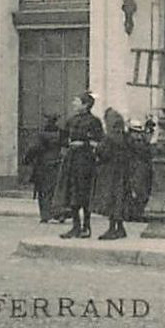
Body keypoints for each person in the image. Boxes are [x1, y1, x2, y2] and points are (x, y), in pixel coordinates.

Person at [57, 92, 104, 239]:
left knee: (84, 194)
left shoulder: (94, 122)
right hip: (72, 160)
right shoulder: (71, 120)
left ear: (86, 105)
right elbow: (62, 139)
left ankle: (86, 227)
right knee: (72, 193)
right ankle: (75, 227)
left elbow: (100, 142)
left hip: (86, 161)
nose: (73, 104)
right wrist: (67, 146)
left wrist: (84, 144)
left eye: (76, 102)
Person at [91, 108, 133, 240]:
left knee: (111, 199)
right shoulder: (124, 136)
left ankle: (112, 228)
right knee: (119, 199)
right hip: (123, 172)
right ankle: (120, 228)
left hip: (111, 173)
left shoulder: (110, 137)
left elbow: (104, 153)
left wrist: (95, 147)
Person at [22, 114, 64, 223]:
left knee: (43, 191)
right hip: (58, 164)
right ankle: (59, 213)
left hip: (44, 166)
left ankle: (46, 215)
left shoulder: (41, 135)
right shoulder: (61, 134)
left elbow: (34, 149)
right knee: (57, 190)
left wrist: (26, 160)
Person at [126, 117, 155, 222]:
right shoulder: (134, 142)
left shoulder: (135, 141)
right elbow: (144, 152)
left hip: (139, 167)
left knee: (140, 190)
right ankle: (136, 214)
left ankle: (135, 213)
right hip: (137, 167)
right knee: (138, 190)